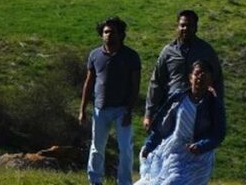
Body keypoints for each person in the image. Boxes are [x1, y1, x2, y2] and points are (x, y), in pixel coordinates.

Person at [136, 60, 227, 185]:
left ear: (210, 81)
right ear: (190, 78)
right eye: (197, 74)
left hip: (198, 160)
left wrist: (201, 146)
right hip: (175, 153)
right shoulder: (179, 99)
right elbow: (163, 127)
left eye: (204, 75)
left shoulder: (214, 105)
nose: (200, 77)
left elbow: (218, 134)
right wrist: (150, 145)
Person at [80, 16, 141, 185]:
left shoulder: (131, 56)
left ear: (121, 34)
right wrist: (82, 109)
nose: (109, 35)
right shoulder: (94, 55)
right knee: (97, 148)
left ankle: (125, 182)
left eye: (113, 32)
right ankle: (95, 181)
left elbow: (135, 86)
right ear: (101, 35)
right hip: (100, 108)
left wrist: (129, 110)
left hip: (122, 110)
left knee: (125, 149)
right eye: (106, 32)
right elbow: (89, 82)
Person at [144, 10, 224, 134]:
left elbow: (217, 80)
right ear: (177, 27)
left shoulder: (206, 51)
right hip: (171, 106)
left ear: (196, 28)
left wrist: (217, 110)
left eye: (190, 25)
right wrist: (149, 114)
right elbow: (156, 82)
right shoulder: (168, 51)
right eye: (182, 25)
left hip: (198, 109)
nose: (185, 28)